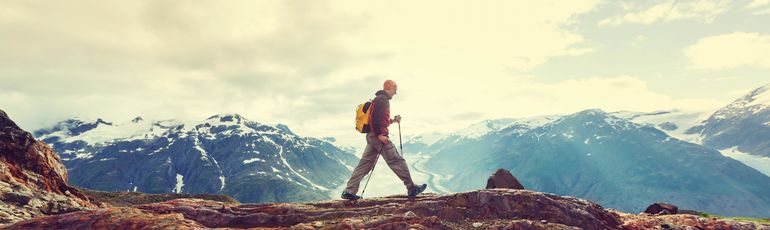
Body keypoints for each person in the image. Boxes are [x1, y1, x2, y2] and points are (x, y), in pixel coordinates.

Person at [341, 80, 427, 200]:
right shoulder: (383, 100)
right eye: (395, 89)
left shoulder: (377, 99)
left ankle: (349, 191)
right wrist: (381, 134)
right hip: (378, 137)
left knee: (365, 164)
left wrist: (393, 120)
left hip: (372, 136)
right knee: (397, 160)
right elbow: (376, 119)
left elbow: (379, 119)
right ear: (389, 88)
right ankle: (412, 188)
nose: (396, 93)